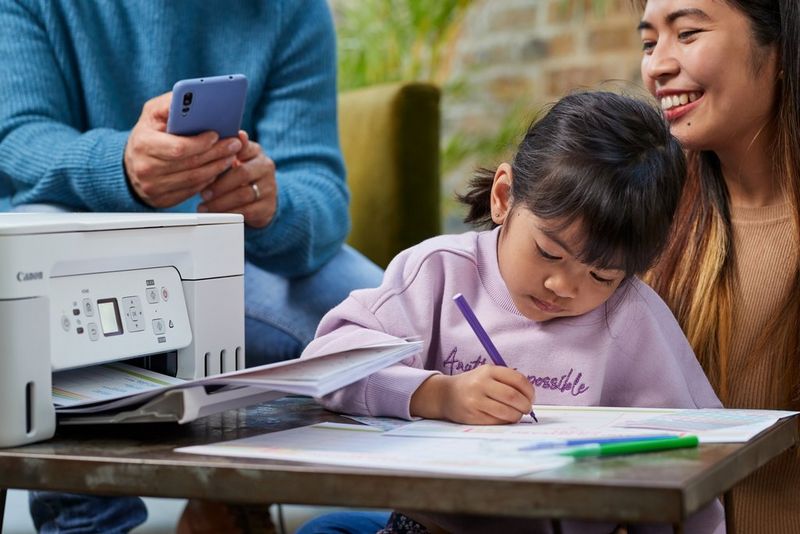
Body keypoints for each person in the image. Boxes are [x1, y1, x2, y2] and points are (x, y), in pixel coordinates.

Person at [0, 0, 382, 532]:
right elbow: (14, 140)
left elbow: (322, 195)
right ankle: (91, 522)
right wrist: (122, 168)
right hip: (74, 229)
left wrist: (270, 203)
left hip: (228, 248)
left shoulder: (292, 11)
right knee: (41, 247)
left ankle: (405, 515)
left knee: (391, 318)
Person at [297, 91, 724, 533]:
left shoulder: (634, 319)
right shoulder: (438, 273)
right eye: (548, 252)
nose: (563, 287)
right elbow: (325, 363)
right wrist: (437, 395)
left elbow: (692, 458)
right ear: (504, 197)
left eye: (601, 277)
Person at [636, 1, 800, 532]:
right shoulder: (646, 221)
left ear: (778, 49)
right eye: (648, 42)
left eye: (686, 34)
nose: (657, 65)